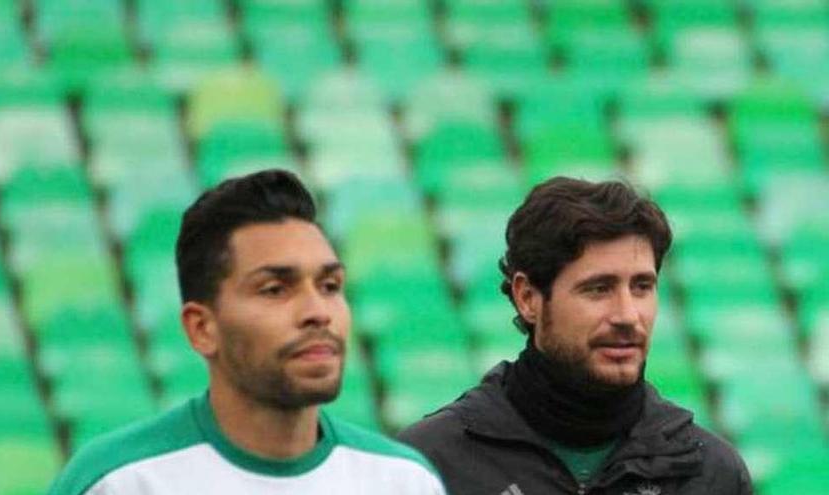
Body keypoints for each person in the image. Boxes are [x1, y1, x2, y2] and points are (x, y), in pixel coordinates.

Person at [49, 170, 445, 495]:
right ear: (202, 328)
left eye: (329, 286)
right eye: (275, 289)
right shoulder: (120, 483)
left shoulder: (404, 482)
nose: (317, 312)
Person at [398, 177, 752, 495]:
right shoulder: (430, 464)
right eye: (598, 289)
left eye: (642, 286)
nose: (627, 315)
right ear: (528, 298)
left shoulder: (710, 473)